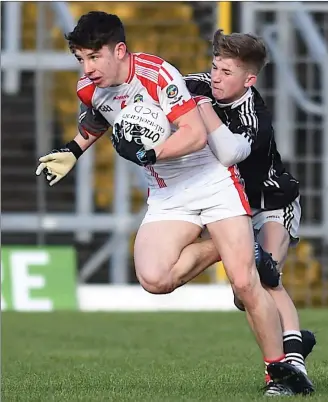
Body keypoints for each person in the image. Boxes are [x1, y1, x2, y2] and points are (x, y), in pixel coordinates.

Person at [35, 11, 307, 395]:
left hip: (212, 182)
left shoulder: (158, 74)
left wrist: (150, 154)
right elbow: (100, 116)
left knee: (245, 282)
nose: (88, 68)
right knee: (154, 279)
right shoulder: (89, 87)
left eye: (94, 57)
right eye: (81, 59)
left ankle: (277, 371)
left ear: (120, 50)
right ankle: (226, 246)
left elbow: (195, 135)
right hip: (168, 194)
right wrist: (73, 150)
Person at [184, 30, 316, 394]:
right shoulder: (198, 84)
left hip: (272, 204)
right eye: (214, 67)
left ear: (249, 79)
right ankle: (294, 341)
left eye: (226, 72)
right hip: (233, 209)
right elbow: (162, 88)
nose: (215, 77)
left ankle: (291, 372)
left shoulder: (254, 117)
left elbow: (228, 153)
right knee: (245, 295)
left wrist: (203, 107)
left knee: (266, 277)